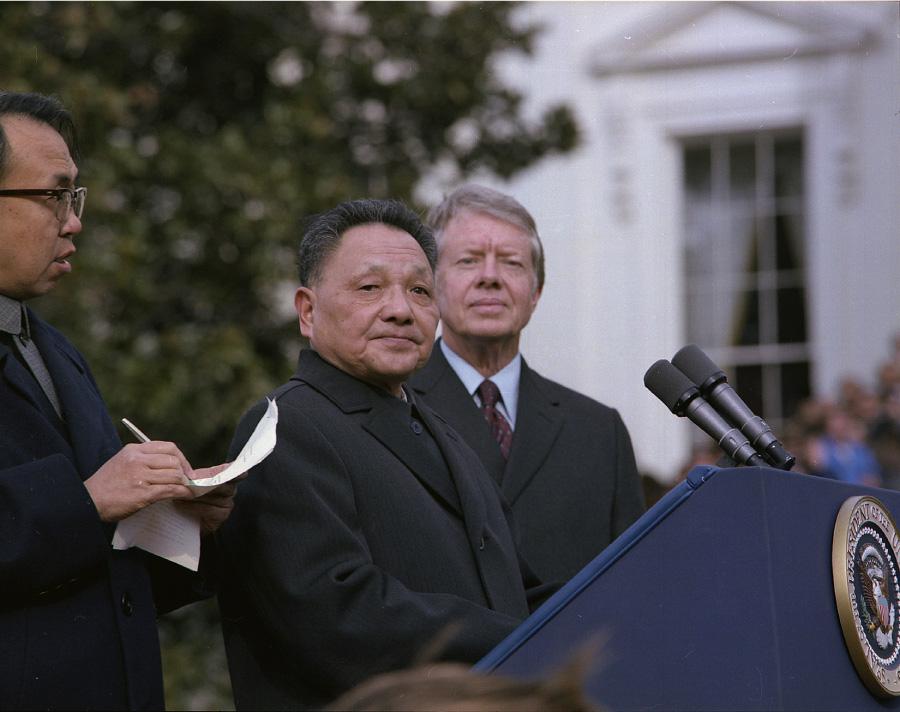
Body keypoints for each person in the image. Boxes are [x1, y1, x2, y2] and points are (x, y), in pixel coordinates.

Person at [217, 199, 552, 710]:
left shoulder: (439, 428)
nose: (400, 309)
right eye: (370, 288)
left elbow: (512, 587)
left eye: (420, 290)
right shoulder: (286, 429)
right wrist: (525, 644)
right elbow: (341, 616)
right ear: (307, 310)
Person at [0, 91, 234, 710]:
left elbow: (97, 568)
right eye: (54, 195)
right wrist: (89, 499)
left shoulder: (52, 348)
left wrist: (184, 522)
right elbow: (83, 513)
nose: (74, 220)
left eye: (74, 197)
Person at [409, 184, 645, 583]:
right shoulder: (394, 405)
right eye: (468, 261)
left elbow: (636, 578)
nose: (490, 277)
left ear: (535, 292)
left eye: (511, 263)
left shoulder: (599, 431)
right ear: (432, 286)